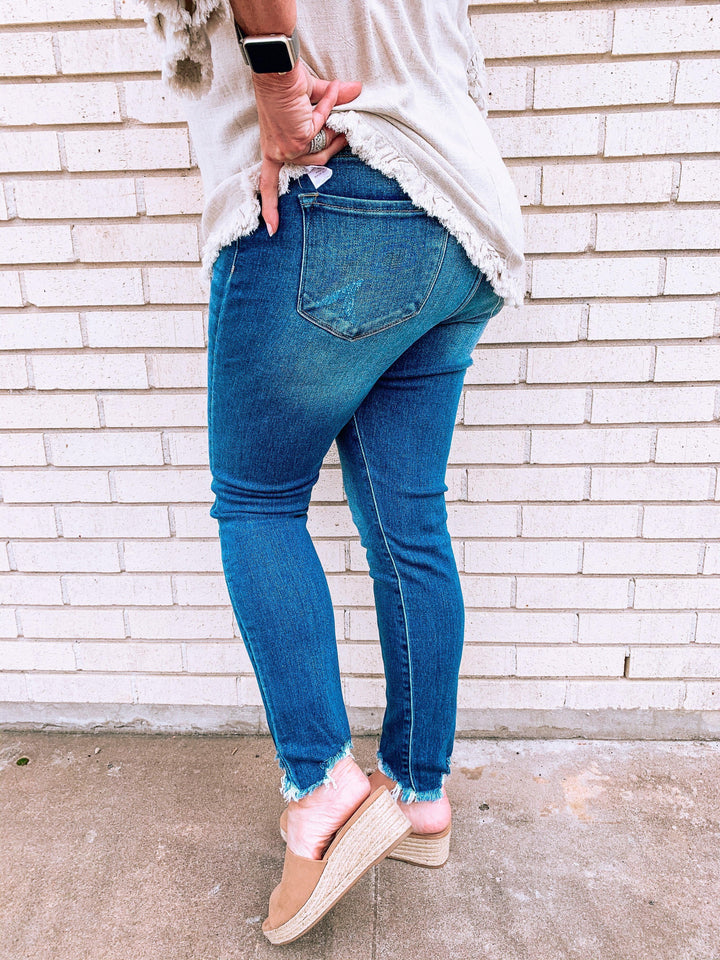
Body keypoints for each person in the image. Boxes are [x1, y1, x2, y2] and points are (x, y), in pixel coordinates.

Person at [140, 0, 525, 944]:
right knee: (409, 522)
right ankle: (420, 796)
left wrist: (276, 90)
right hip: (460, 217)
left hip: (330, 187)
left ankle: (321, 783)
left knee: (258, 504)